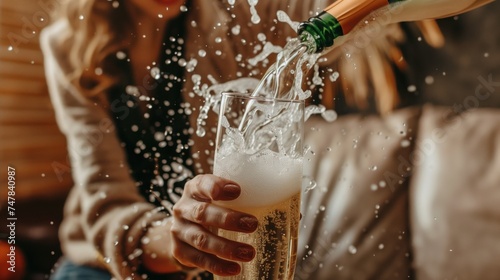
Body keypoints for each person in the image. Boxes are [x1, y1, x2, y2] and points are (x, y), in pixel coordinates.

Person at [40, 0, 493, 279]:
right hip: (102, 264)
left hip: (210, 267)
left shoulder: (239, 14)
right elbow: (107, 206)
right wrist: (178, 241)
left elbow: (322, 11)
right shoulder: (66, 47)